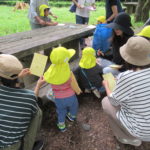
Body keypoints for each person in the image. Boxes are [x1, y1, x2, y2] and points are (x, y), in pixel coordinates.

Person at [102, 36, 150, 146]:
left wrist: (106, 86)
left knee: (106, 102)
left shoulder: (127, 76)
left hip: (143, 131)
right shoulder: (127, 77)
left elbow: (114, 101)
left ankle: (127, 137)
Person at [0, 54, 45, 150]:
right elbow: (31, 100)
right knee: (37, 111)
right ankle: (27, 146)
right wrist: (38, 85)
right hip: (9, 147)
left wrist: (15, 76)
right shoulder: (28, 96)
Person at [44, 47, 79, 132]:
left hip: (58, 98)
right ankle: (71, 117)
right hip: (71, 96)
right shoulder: (68, 73)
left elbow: (47, 79)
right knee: (74, 107)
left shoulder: (51, 73)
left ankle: (61, 126)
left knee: (61, 112)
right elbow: (73, 83)